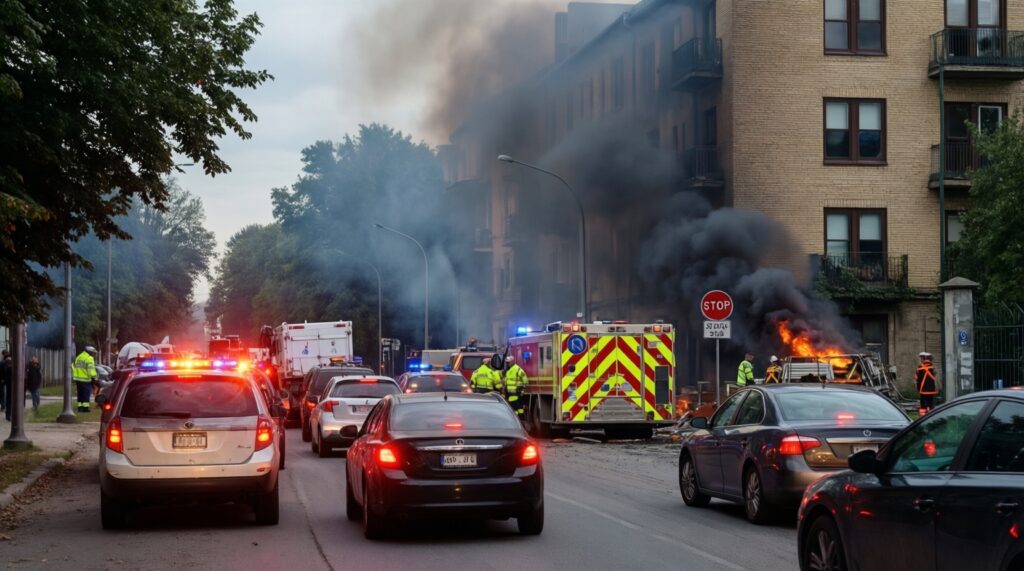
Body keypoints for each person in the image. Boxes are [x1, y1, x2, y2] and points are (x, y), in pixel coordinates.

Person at [71, 346, 98, 413]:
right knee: (86, 394)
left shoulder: (79, 357)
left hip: (77, 379)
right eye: (93, 353)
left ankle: (80, 408)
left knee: (80, 394)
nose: (93, 354)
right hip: (86, 379)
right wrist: (95, 378)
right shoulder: (89, 358)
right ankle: (85, 408)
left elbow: (73, 366)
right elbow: (91, 370)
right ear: (89, 352)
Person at [1, 350, 11, 420]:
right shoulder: (3, 364)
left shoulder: (6, 364)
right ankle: (6, 411)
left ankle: (7, 413)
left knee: (6, 397)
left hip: (7, 383)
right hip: (5, 383)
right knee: (5, 397)